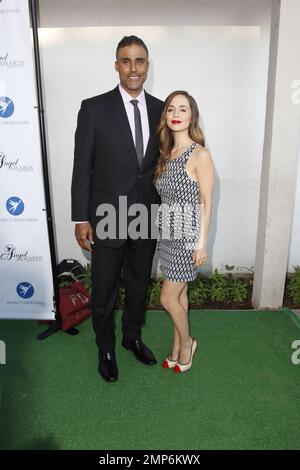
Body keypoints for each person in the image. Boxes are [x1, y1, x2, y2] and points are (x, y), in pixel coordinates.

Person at [71, 36, 164, 382]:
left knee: (139, 285)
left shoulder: (160, 110)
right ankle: (106, 347)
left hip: (147, 216)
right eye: (126, 61)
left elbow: (162, 164)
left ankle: (132, 337)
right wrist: (81, 217)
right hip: (106, 217)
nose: (133, 68)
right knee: (106, 287)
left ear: (147, 66)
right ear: (116, 66)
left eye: (139, 61)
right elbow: (83, 166)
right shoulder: (94, 108)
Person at [154, 90, 215, 373]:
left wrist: (201, 245)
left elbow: (206, 202)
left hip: (187, 238)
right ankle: (177, 347)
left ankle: (188, 343)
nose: (176, 114)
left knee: (167, 298)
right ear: (165, 116)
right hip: (167, 234)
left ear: (192, 116)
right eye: (171, 109)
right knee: (179, 297)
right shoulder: (167, 153)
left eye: (183, 109)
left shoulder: (199, 154)